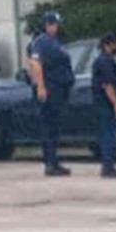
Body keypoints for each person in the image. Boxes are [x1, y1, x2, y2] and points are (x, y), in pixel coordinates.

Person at [28, 11, 74, 177]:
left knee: (55, 127)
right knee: (48, 126)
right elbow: (35, 63)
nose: (56, 26)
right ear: (48, 24)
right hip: (49, 90)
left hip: (58, 90)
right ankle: (49, 163)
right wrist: (41, 87)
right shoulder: (41, 42)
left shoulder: (54, 42)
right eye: (54, 24)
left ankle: (54, 161)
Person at [91, 33, 116, 179]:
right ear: (108, 44)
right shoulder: (104, 61)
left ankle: (108, 165)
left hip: (103, 103)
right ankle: (108, 167)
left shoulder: (105, 60)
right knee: (108, 135)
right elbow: (107, 85)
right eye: (115, 43)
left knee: (107, 133)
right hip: (105, 104)